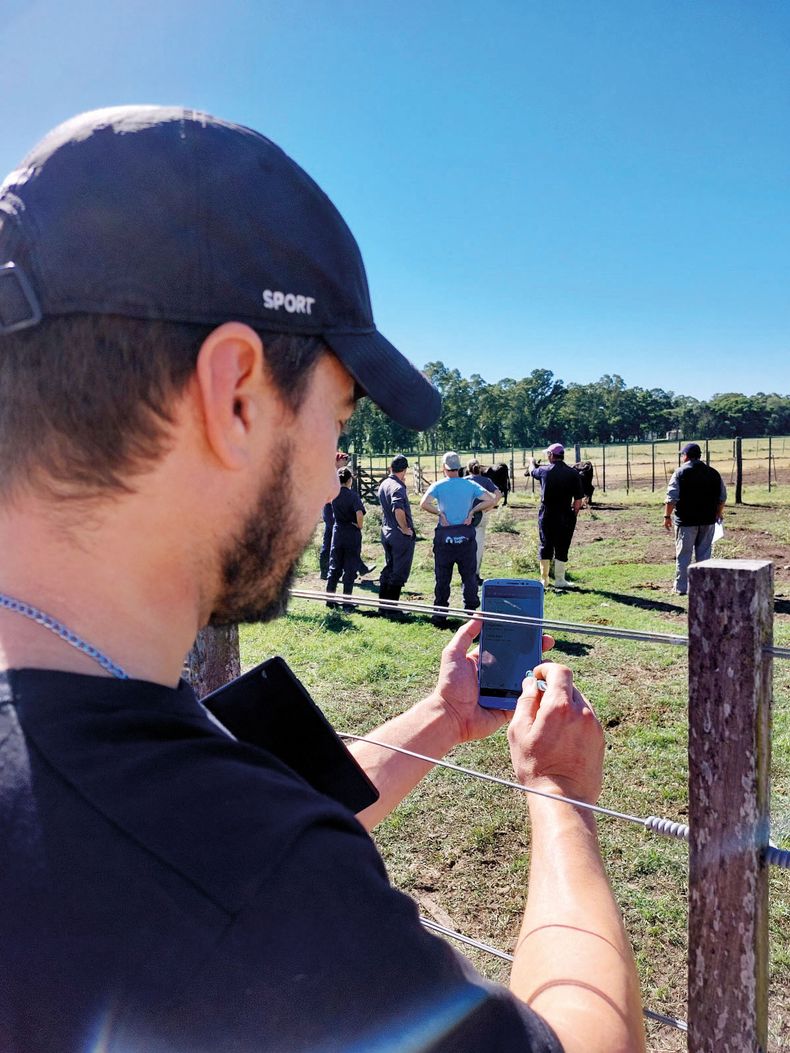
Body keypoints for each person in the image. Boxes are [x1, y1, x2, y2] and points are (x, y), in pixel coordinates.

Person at [0, 107, 645, 1053]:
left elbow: (221, 793)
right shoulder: (258, 897)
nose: (335, 464)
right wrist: (559, 798)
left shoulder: (93, 736)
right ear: (235, 396)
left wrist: (440, 717)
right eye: (337, 418)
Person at [420, 452, 498, 627]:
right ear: (459, 467)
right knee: (469, 577)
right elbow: (491, 499)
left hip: (445, 537)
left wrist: (440, 513)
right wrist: (473, 511)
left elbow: (423, 503)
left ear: (443, 468)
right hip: (466, 536)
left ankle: (439, 615)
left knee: (442, 577)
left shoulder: (438, 485)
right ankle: (471, 616)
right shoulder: (469, 485)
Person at [664, 442, 726, 596]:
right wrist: (718, 513)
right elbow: (722, 497)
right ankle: (703, 587)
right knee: (704, 555)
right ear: (699, 456)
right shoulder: (713, 473)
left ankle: (681, 588)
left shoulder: (679, 473)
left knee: (684, 555)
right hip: (708, 520)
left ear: (685, 456)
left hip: (686, 522)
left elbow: (671, 498)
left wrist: (667, 516)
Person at [528, 444, 584, 590]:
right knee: (562, 544)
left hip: (547, 514)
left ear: (551, 455)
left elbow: (532, 471)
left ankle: (544, 579)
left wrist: (531, 461)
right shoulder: (573, 474)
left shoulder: (544, 471)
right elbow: (578, 500)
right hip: (565, 513)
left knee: (545, 544)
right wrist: (573, 514)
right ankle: (560, 579)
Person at [320, 453, 376, 581]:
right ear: (337, 460)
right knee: (344, 540)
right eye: (344, 460)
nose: (345, 462)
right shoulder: (331, 474)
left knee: (329, 539)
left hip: (331, 508)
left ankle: (326, 571)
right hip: (331, 509)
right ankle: (355, 569)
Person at [377, 454, 416, 618]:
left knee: (389, 569)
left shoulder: (384, 483)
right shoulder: (398, 487)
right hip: (399, 535)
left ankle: (383, 606)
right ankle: (392, 610)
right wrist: (405, 528)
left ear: (390, 468)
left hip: (386, 531)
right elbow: (398, 509)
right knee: (398, 572)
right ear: (405, 470)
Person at [326, 466, 365, 610]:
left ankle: (329, 600)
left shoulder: (334, 494)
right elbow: (359, 513)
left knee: (334, 566)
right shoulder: (353, 496)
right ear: (349, 480)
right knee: (350, 568)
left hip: (338, 532)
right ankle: (347, 603)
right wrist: (359, 526)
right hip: (351, 533)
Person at [466, 458, 502, 584]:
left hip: (465, 516)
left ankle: (466, 573)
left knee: (465, 545)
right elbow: (498, 495)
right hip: (481, 515)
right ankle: (476, 574)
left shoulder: (464, 481)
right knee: (479, 545)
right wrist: (489, 507)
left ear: (468, 469)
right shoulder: (486, 481)